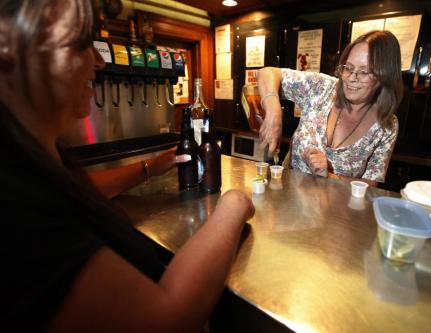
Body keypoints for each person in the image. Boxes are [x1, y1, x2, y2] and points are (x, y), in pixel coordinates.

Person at [0, 1, 254, 332]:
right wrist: (232, 208)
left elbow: (80, 190)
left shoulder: (31, 157)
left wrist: (150, 167)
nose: (99, 60)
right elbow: (168, 316)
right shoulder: (11, 200)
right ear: (7, 44)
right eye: (80, 44)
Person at [258, 30, 403, 187]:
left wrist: (329, 175)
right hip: (288, 196)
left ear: (385, 77)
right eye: (348, 68)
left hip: (335, 208)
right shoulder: (321, 87)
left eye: (364, 72)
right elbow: (267, 73)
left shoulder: (387, 125)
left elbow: (370, 185)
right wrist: (274, 111)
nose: (351, 78)